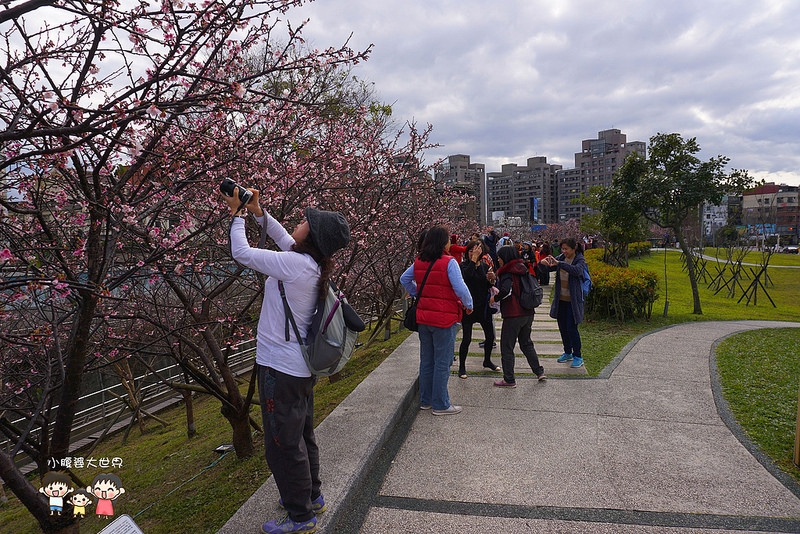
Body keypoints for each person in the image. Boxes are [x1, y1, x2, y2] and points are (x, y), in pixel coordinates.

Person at [224, 188, 350, 533]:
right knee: (301, 434)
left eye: (304, 222)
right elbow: (281, 237)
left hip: (280, 369)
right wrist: (258, 212)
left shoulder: (295, 266)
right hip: (299, 369)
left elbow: (242, 253)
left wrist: (236, 215)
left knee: (282, 444)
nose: (298, 222)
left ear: (312, 236)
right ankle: (311, 496)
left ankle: (300, 516)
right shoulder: (309, 263)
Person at [400, 225, 473, 415]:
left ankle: (426, 401)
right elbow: (460, 288)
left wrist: (419, 293)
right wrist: (469, 304)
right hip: (444, 319)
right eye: (448, 239)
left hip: (424, 319)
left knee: (427, 361)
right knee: (442, 362)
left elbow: (404, 279)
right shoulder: (449, 262)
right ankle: (441, 404)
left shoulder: (419, 261)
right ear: (442, 242)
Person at [490, 246, 546, 386]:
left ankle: (509, 379)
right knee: (526, 343)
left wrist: (494, 299)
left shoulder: (507, 272)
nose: (498, 260)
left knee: (507, 347)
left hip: (513, 314)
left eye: (500, 257)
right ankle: (539, 372)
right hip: (527, 312)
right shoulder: (522, 268)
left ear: (506, 257)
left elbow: (506, 291)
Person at [540, 238, 587, 369]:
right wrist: (542, 263)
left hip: (573, 301)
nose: (564, 251)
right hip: (561, 299)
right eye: (562, 248)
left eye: (566, 249)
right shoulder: (561, 258)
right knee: (562, 327)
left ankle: (578, 355)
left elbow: (577, 271)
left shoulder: (579, 259)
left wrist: (559, 263)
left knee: (572, 328)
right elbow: (547, 270)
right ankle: (567, 352)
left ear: (574, 249)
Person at [457, 240, 501, 378]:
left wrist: (492, 279)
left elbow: (487, 285)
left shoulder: (483, 265)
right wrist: (473, 261)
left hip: (483, 306)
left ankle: (487, 361)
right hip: (468, 307)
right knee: (466, 338)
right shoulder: (462, 266)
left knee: (490, 336)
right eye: (471, 251)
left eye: (476, 251)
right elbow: (467, 277)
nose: (473, 253)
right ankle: (462, 367)